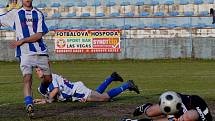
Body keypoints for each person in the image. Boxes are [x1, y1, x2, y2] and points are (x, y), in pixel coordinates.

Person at [0, 0, 52, 117]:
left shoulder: (38, 13)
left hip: (40, 51)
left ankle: (42, 90)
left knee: (48, 79)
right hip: (25, 53)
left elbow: (39, 35)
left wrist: (22, 40)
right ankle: (29, 105)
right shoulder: (15, 13)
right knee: (27, 78)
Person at [33, 67, 140, 104]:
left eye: (39, 69)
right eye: (37, 70)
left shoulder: (50, 77)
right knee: (98, 94)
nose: (38, 72)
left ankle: (127, 85)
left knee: (104, 98)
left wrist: (47, 100)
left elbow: (55, 91)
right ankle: (111, 77)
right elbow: (55, 96)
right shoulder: (48, 80)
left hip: (77, 91)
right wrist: (44, 100)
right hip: (77, 91)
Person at [121, 91, 212, 121]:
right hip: (178, 101)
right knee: (149, 112)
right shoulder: (195, 103)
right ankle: (145, 107)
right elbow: (191, 114)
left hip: (184, 110)